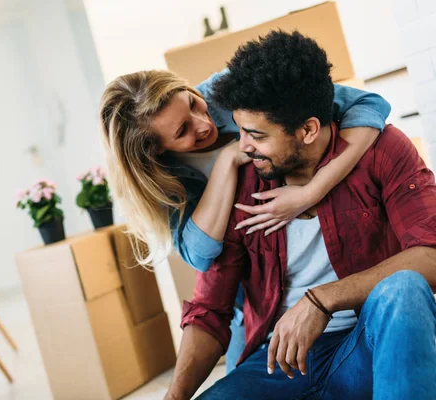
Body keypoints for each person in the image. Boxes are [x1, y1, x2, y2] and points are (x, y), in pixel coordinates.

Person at [165, 30, 436, 400]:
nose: (242, 146)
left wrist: (323, 299)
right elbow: (210, 310)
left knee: (403, 288)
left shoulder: (382, 149)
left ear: (308, 129)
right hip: (281, 366)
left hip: (368, 347)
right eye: (240, 130)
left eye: (256, 135)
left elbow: (431, 255)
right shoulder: (241, 181)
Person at [99, 39, 391, 371]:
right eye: (183, 131)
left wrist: (312, 191)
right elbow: (200, 253)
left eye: (193, 103)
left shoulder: (226, 90)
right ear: (156, 151)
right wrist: (227, 160)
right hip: (253, 293)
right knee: (242, 373)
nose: (203, 123)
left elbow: (369, 105)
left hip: (328, 268)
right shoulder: (160, 177)